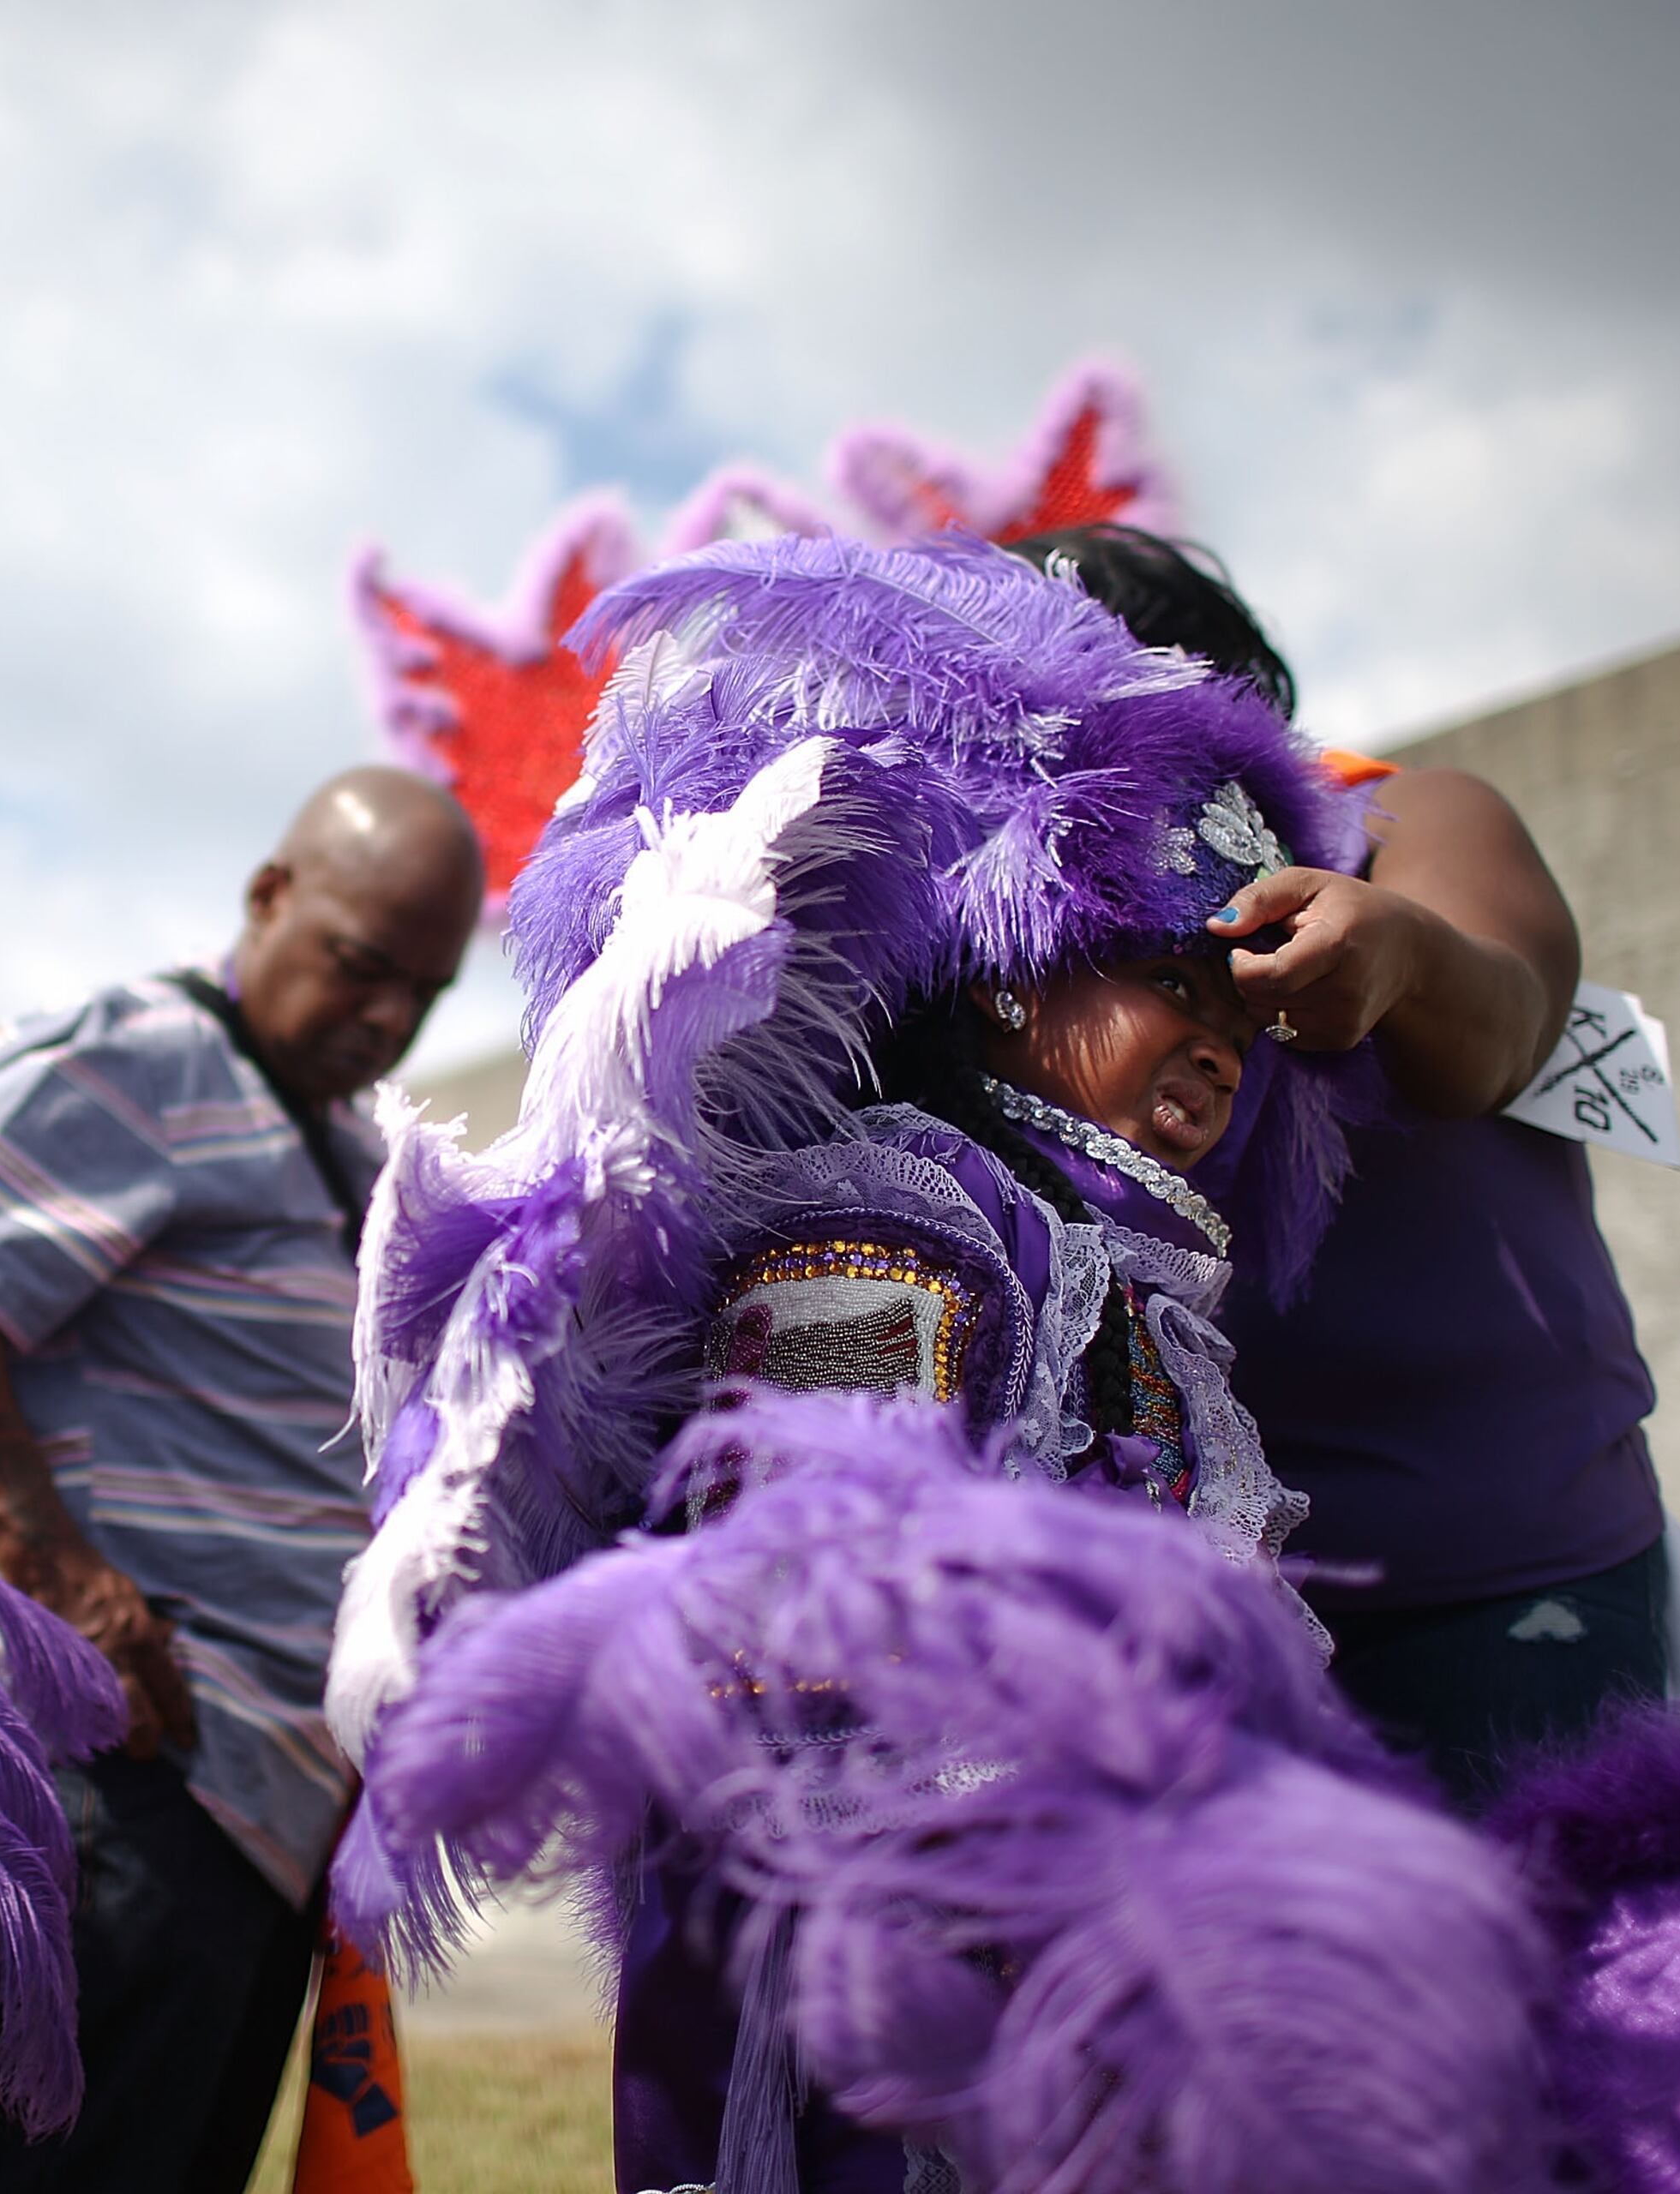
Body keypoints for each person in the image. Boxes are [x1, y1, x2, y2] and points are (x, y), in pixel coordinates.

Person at [327, 535, 1421, 2193]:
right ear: (1003, 969)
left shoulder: (1117, 1262)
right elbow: (800, 1614)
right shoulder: (903, 1218)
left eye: (1237, 1005)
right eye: (1157, 971)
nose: (1210, 1033)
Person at [0, 766, 486, 2194]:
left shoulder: (341, 1142)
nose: (386, 1019)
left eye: (423, 994)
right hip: (138, 1764)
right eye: (360, 967)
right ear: (269, 896)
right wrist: (61, 1574)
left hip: (265, 1797)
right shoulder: (147, 1057)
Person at [1009, 523, 1673, 1811]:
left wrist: (1404, 959)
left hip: (1496, 1571)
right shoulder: (997, 916)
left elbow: (1504, 1022)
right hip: (1181, 1614)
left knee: (1513, 1977)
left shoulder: (1407, 821)